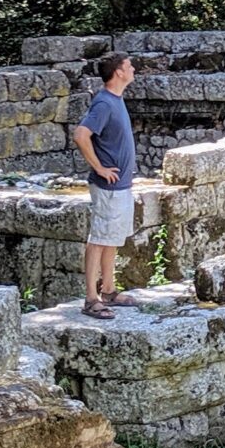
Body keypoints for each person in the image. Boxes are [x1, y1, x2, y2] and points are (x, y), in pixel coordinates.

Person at [71, 51, 137, 317]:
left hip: (120, 186)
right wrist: (98, 167)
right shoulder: (105, 103)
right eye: (129, 66)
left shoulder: (115, 100)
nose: (133, 69)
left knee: (112, 237)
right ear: (118, 72)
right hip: (108, 187)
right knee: (98, 238)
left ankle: (109, 289)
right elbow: (80, 134)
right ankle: (91, 298)